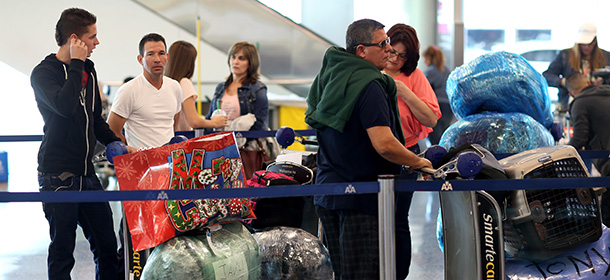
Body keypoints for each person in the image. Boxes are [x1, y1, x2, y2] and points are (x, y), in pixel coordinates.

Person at [305, 18, 432, 279]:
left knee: (342, 272)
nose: (389, 49)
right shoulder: (370, 84)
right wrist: (418, 161)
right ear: (362, 50)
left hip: (328, 191)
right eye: (383, 43)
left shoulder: (332, 73)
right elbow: (384, 144)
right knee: (362, 272)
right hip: (360, 195)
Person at [30, 7, 134, 279]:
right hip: (57, 175)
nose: (96, 43)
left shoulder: (88, 69)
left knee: (107, 246)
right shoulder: (44, 73)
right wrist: (76, 63)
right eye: (92, 37)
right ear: (75, 39)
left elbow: (95, 116)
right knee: (63, 252)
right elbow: (64, 106)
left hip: (87, 173)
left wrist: (115, 143)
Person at [382, 23, 441, 278]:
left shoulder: (414, 77)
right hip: (372, 155)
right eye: (392, 51)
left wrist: (404, 91)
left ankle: (399, 274)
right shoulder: (370, 70)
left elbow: (431, 118)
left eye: (402, 55)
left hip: (406, 153)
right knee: (371, 220)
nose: (395, 59)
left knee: (398, 221)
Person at [107, 33, 182, 149]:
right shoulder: (128, 90)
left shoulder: (175, 87)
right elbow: (111, 130)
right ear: (140, 59)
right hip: (140, 163)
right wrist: (128, 150)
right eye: (150, 54)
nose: (157, 59)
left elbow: (173, 125)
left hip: (169, 161)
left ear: (167, 57)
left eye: (161, 54)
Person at [565, 72, 610, 227]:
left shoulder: (581, 103)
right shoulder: (606, 92)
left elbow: (579, 138)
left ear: (571, 93)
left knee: (608, 217)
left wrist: (559, 153)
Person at [543, 23, 610, 111]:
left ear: (595, 41)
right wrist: (564, 82)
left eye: (589, 44)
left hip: (598, 104)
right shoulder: (565, 55)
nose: (586, 47)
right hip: (570, 104)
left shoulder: (606, 56)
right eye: (583, 44)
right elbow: (546, 76)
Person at [205, 41, 269, 132]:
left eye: (241, 58)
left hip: (245, 144)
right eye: (233, 57)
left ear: (250, 63)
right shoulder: (220, 87)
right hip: (219, 142)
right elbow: (209, 118)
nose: (235, 62)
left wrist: (238, 138)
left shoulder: (258, 89)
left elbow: (261, 125)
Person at [165, 40, 227, 131]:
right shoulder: (184, 82)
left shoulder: (165, 82)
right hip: (180, 139)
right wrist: (215, 122)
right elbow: (194, 121)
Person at [423, 45, 455, 145]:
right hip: (448, 108)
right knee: (444, 138)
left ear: (429, 58)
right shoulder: (447, 71)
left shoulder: (429, 72)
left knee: (435, 141)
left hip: (436, 107)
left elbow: (423, 90)